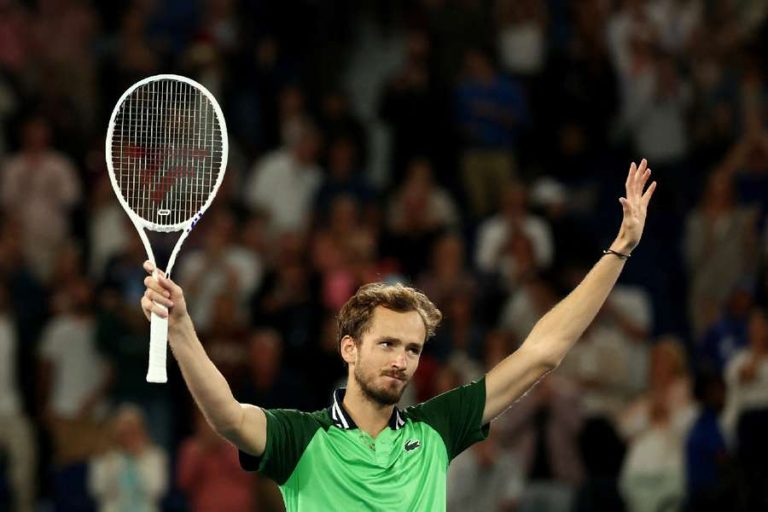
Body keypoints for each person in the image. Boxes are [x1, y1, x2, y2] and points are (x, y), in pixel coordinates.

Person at [140, 161, 656, 510]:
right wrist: (182, 327)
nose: (402, 360)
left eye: (412, 349)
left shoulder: (436, 429)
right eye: (388, 343)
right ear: (349, 348)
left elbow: (542, 351)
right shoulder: (302, 438)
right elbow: (228, 416)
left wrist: (620, 250)